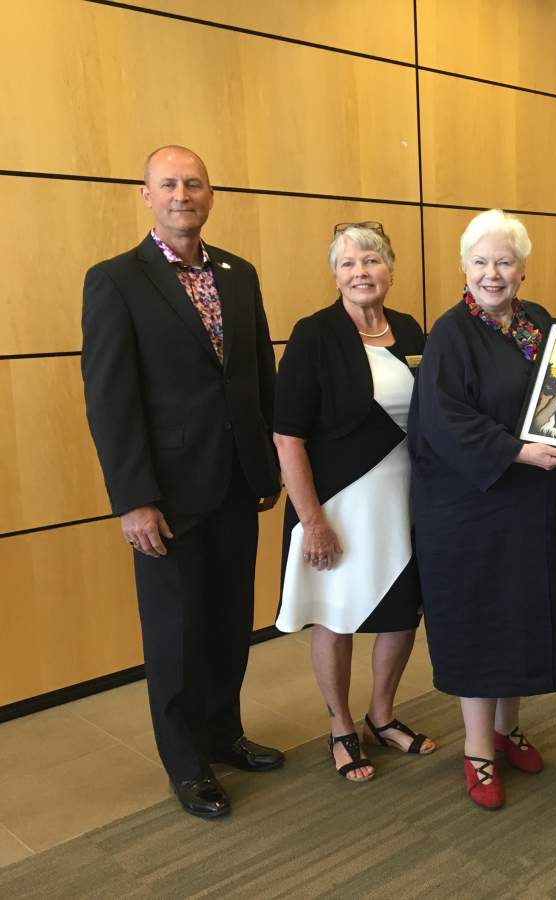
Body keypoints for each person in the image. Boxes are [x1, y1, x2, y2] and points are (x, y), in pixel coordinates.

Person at [81, 145, 283, 819]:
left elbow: (257, 375)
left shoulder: (239, 273)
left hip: (235, 482)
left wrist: (268, 461)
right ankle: (186, 763)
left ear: (210, 195)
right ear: (146, 195)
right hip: (165, 495)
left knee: (228, 623)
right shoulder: (115, 281)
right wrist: (133, 498)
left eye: (192, 184)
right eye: (167, 184)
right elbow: (111, 399)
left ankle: (224, 735)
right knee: (175, 632)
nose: (181, 195)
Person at [407, 209, 556, 811]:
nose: (493, 273)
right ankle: (478, 749)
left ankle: (509, 730)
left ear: (523, 269)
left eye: (504, 262)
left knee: (526, 614)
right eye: (482, 262)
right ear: (465, 268)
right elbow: (444, 422)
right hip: (472, 509)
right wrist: (518, 452)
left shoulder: (537, 322)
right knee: (482, 622)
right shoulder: (449, 333)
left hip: (534, 507)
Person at [273, 222, 436, 783]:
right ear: (335, 275)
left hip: (405, 500)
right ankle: (341, 726)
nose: (361, 272)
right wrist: (311, 520)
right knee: (338, 614)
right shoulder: (313, 334)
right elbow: (287, 435)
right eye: (348, 264)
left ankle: (381, 715)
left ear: (390, 268)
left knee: (402, 613)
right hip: (337, 504)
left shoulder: (412, 330)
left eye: (371, 261)